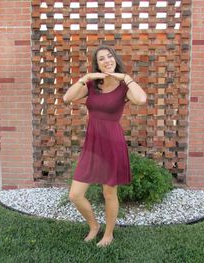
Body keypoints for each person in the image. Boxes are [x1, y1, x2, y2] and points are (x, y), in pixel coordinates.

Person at [63, 45, 147, 247]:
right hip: (92, 146)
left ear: (115, 60)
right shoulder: (92, 86)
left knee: (109, 193)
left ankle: (108, 234)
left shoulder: (124, 88)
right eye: (101, 58)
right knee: (75, 194)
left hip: (112, 145)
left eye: (110, 56)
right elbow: (67, 97)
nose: (107, 60)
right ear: (97, 64)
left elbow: (142, 99)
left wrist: (125, 78)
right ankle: (94, 226)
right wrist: (87, 77)